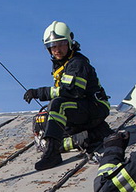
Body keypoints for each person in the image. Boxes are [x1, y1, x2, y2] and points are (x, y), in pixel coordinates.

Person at [23, 21, 113, 171]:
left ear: (70, 42)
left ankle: (52, 154)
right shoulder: (61, 65)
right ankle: (94, 135)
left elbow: (72, 91)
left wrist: (38, 93)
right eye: (52, 46)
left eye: (61, 44)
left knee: (58, 105)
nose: (56, 50)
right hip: (80, 111)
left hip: (95, 107)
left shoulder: (77, 63)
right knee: (46, 122)